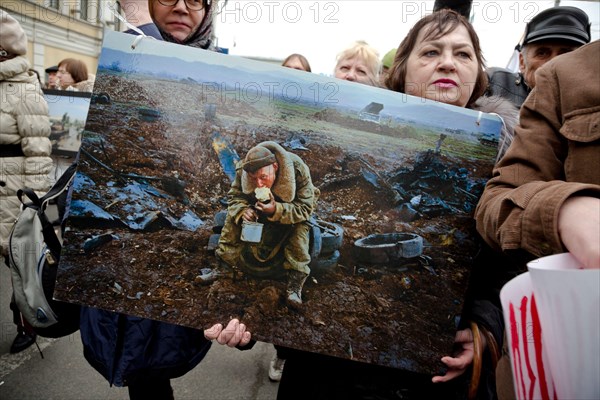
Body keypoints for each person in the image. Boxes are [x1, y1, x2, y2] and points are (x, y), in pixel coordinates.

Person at [79, 2, 249, 399]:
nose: (181, 6)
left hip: (183, 271)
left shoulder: (223, 76)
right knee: (141, 373)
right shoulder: (120, 60)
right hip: (118, 271)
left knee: (154, 370)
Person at [476, 40, 599, 271]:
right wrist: (563, 209)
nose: (447, 64)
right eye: (542, 52)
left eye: (463, 54)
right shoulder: (560, 77)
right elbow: (501, 199)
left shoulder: (504, 125)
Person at [0, 10, 53, 354]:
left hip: (11, 189)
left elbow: (39, 153)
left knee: (18, 262)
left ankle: (28, 320)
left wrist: (36, 204)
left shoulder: (26, 91)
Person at [215, 141, 318, 308]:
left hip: (292, 206)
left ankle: (295, 284)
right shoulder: (244, 169)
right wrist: (242, 211)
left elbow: (305, 208)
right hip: (257, 206)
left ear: (275, 167)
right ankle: (223, 268)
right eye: (253, 179)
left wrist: (275, 209)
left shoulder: (298, 169)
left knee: (300, 227)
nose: (259, 184)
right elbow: (234, 198)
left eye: (263, 177)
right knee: (232, 217)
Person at [486, 6, 590, 108]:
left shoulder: (592, 102)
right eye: (542, 53)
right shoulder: (494, 82)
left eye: (565, 54)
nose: (553, 63)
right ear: (522, 62)